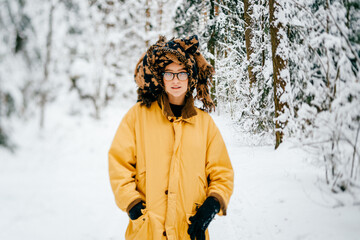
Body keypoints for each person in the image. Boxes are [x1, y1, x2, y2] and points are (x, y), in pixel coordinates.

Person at [108, 35, 234, 240]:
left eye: (182, 74)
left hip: (189, 231)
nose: (175, 81)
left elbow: (223, 174)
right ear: (161, 78)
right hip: (148, 231)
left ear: (190, 78)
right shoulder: (137, 116)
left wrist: (213, 203)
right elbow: (119, 164)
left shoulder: (205, 124)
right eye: (169, 74)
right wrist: (132, 203)